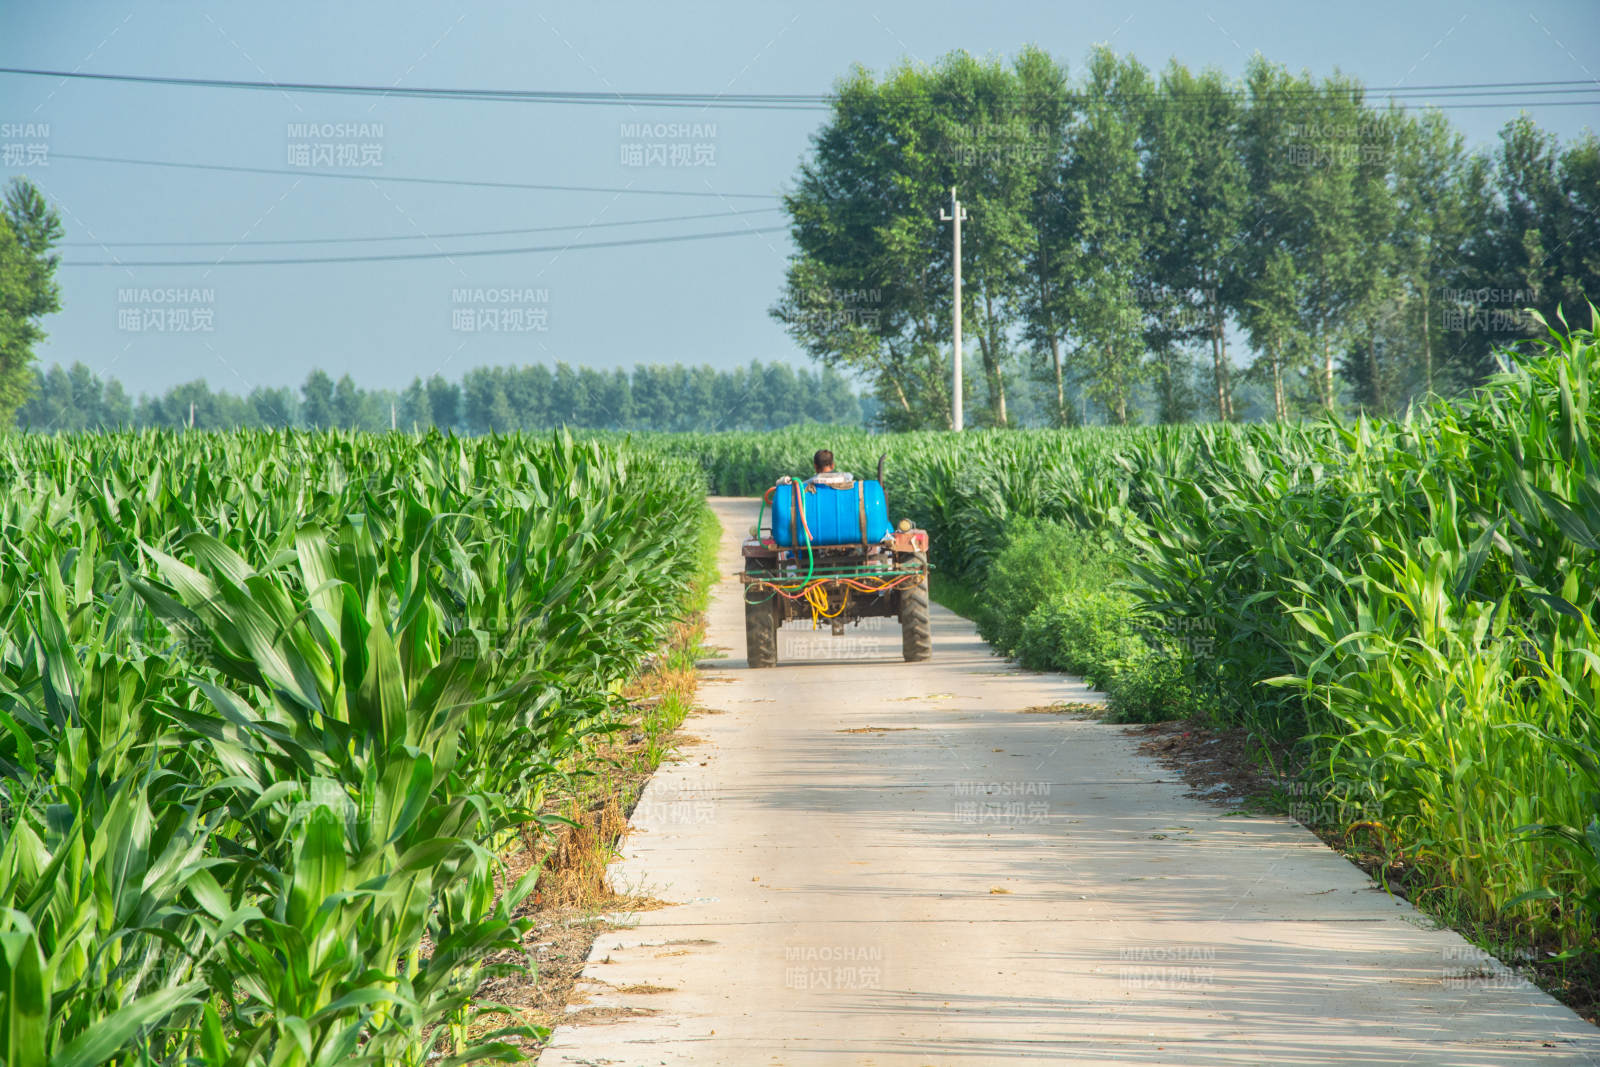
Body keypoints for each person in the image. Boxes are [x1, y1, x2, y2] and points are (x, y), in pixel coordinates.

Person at [778, 449, 854, 490]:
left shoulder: (812, 481)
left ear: (815, 466)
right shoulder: (846, 477)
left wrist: (784, 481)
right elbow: (850, 476)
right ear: (833, 465)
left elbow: (797, 487)